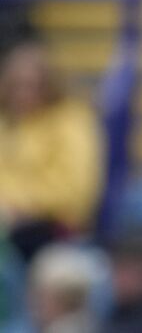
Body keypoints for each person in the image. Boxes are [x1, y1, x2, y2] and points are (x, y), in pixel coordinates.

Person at [0, 42, 104, 262]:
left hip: (54, 229)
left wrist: (16, 205)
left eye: (32, 85)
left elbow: (75, 192)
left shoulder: (72, 121)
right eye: (16, 85)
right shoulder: (5, 123)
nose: (23, 94)